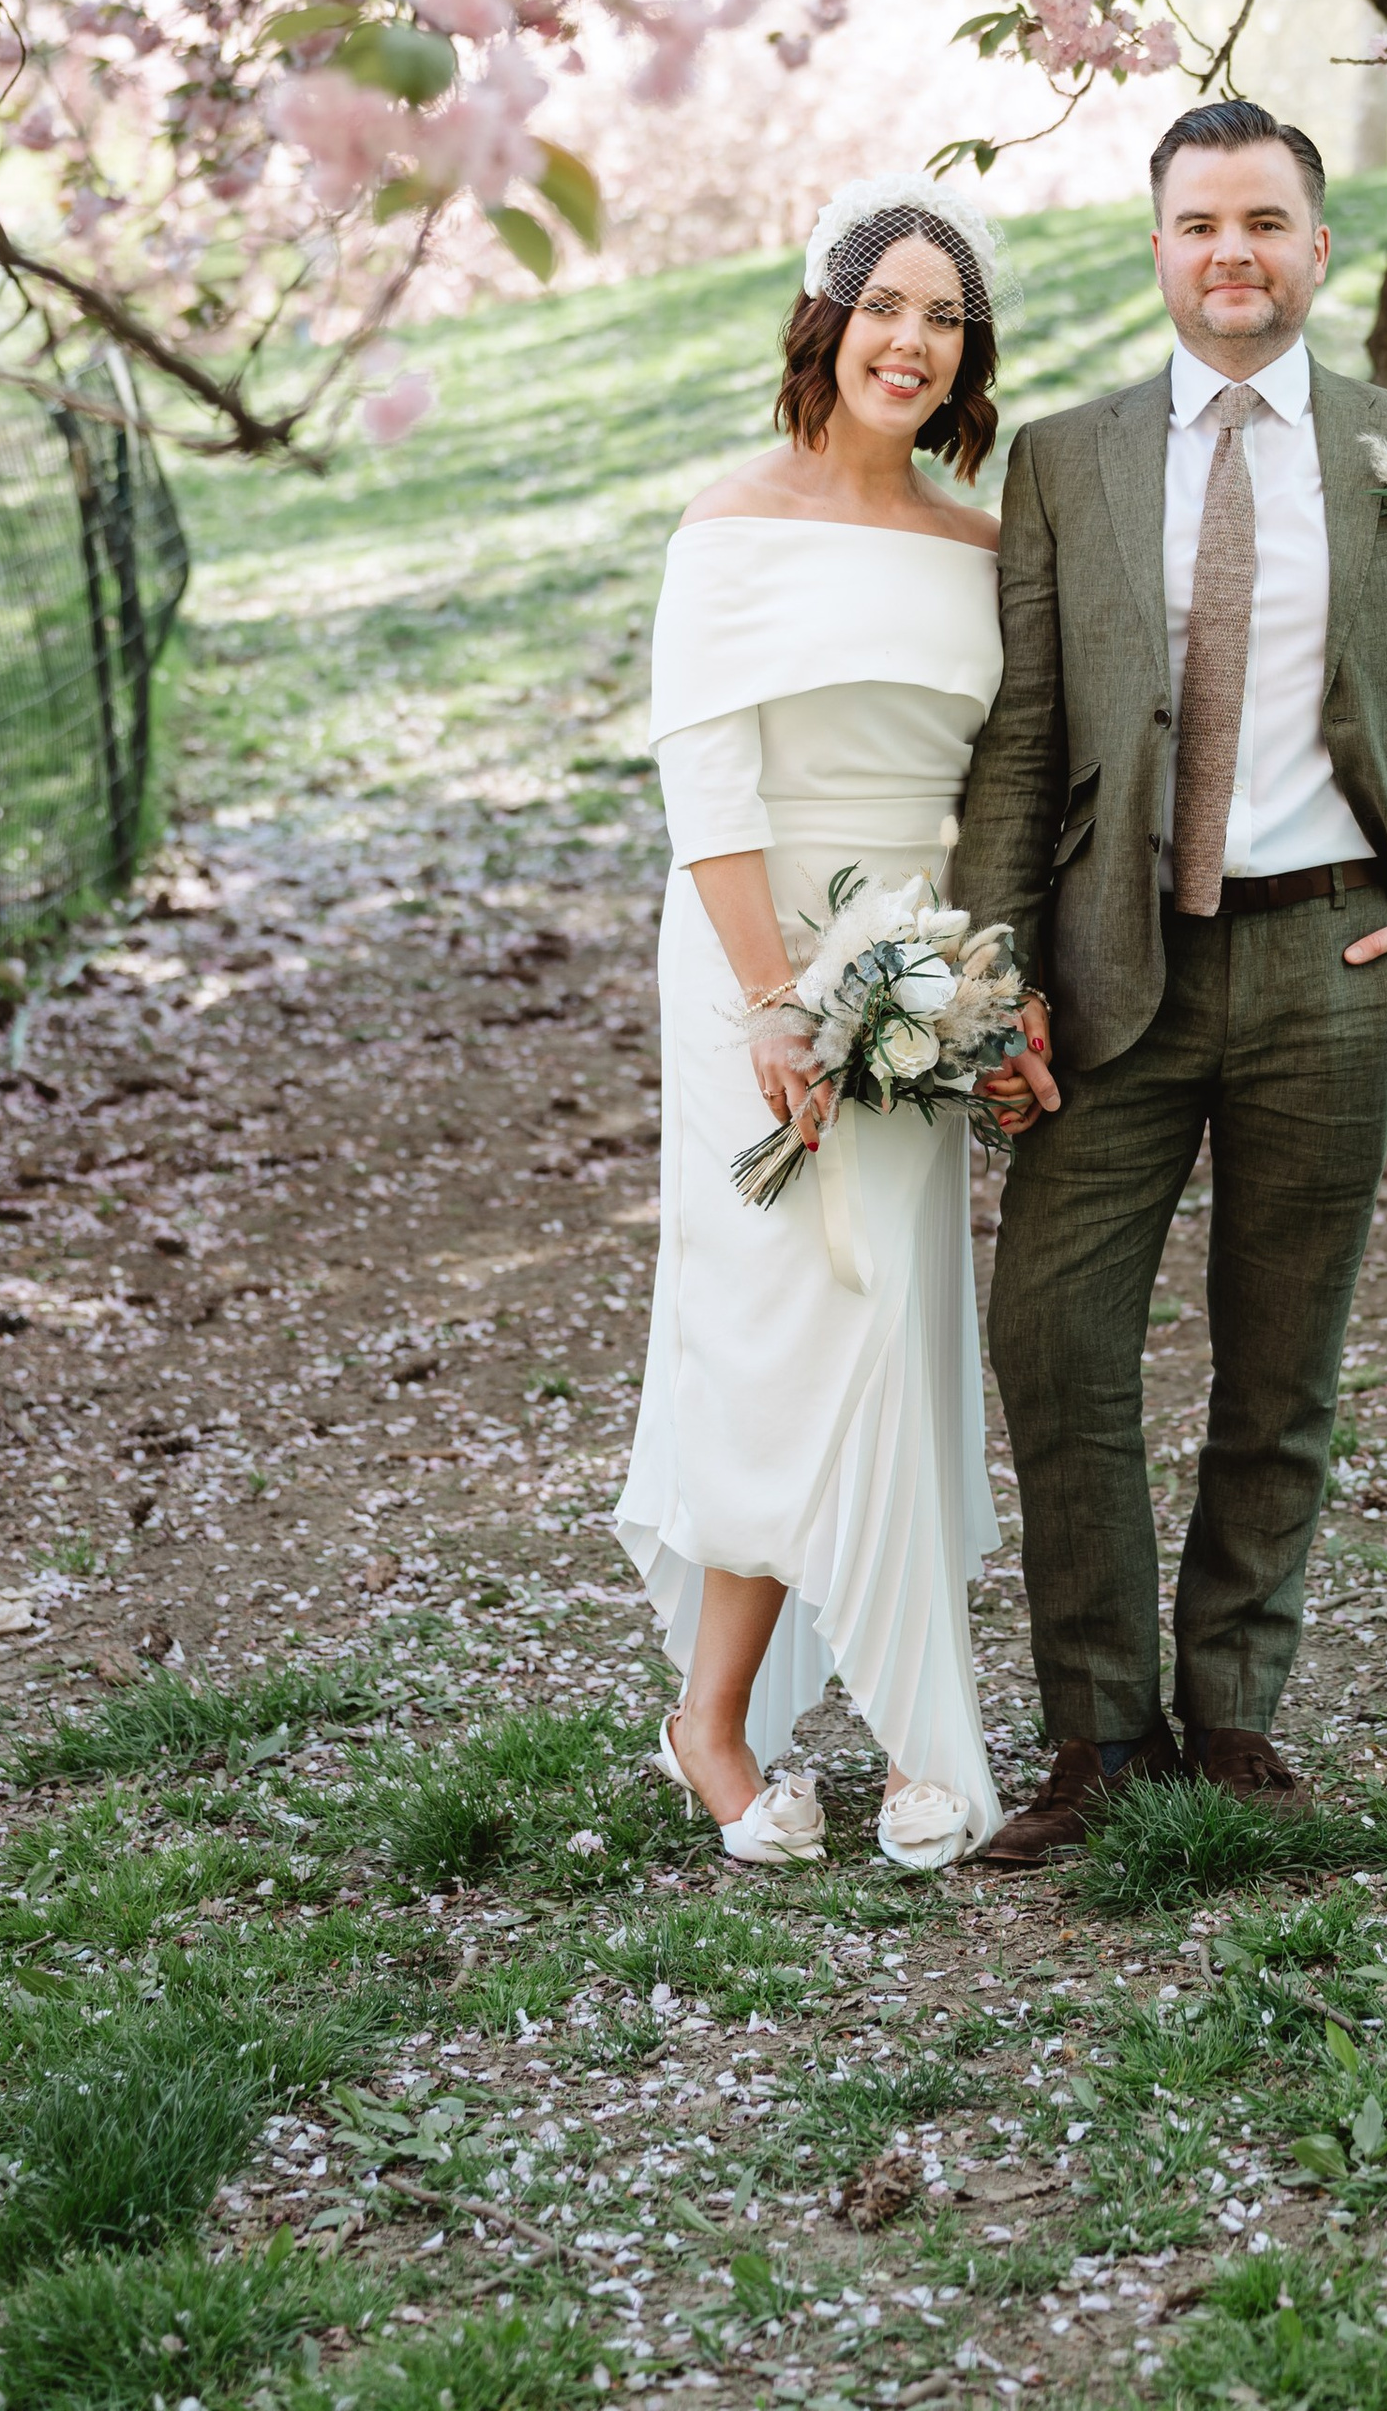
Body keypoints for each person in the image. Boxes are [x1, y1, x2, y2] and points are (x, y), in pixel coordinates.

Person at [952, 101, 1387, 1865]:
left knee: (1280, 1360)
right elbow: (1023, 747)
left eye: (1269, 223)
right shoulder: (1066, 460)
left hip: (1333, 959)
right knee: (1051, 1337)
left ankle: (1229, 1717)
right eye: (1202, 223)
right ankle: (1098, 1741)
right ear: (1157, 247)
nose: (1236, 252)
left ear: (1317, 247)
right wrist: (999, 982)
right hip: (1110, 968)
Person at [612, 178, 1011, 1871]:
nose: (911, 341)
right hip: (751, 967)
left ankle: (922, 1725)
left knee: (896, 1337)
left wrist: (986, 995)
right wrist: (775, 1001)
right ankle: (710, 1724)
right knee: (776, 1332)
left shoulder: (985, 548)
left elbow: (1004, 785)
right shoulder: (731, 526)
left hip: (921, 979)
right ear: (823, 321)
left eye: (945, 318)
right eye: (887, 306)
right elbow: (707, 781)